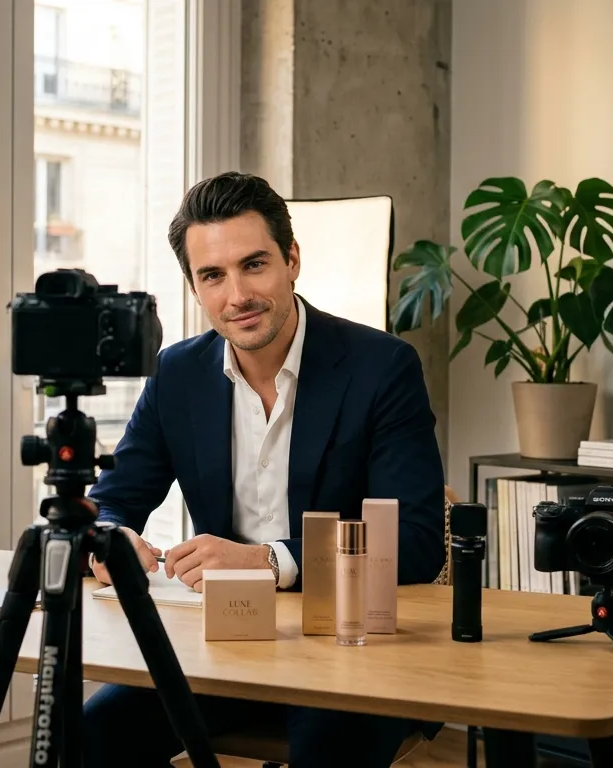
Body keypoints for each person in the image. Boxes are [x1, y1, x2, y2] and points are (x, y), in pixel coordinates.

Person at [81, 171, 446, 768]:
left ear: (292, 259)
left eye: (254, 265)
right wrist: (111, 536)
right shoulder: (176, 373)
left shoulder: (383, 367)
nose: (237, 296)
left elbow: (417, 542)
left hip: (352, 645)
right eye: (213, 276)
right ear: (194, 286)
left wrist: (268, 559)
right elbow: (115, 496)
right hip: (223, 644)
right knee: (90, 737)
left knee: (328, 748)